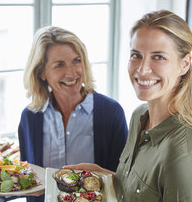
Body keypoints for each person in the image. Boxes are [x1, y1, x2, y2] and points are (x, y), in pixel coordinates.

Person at [65, 10, 192, 201]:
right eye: (136, 55)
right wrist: (105, 177)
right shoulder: (140, 117)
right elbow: (137, 192)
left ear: (184, 64)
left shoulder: (183, 157)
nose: (142, 69)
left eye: (158, 57)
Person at [17, 26, 128, 202]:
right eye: (59, 65)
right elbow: (28, 178)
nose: (71, 73)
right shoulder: (30, 117)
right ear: (41, 73)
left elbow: (124, 182)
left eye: (77, 61)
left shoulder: (111, 113)